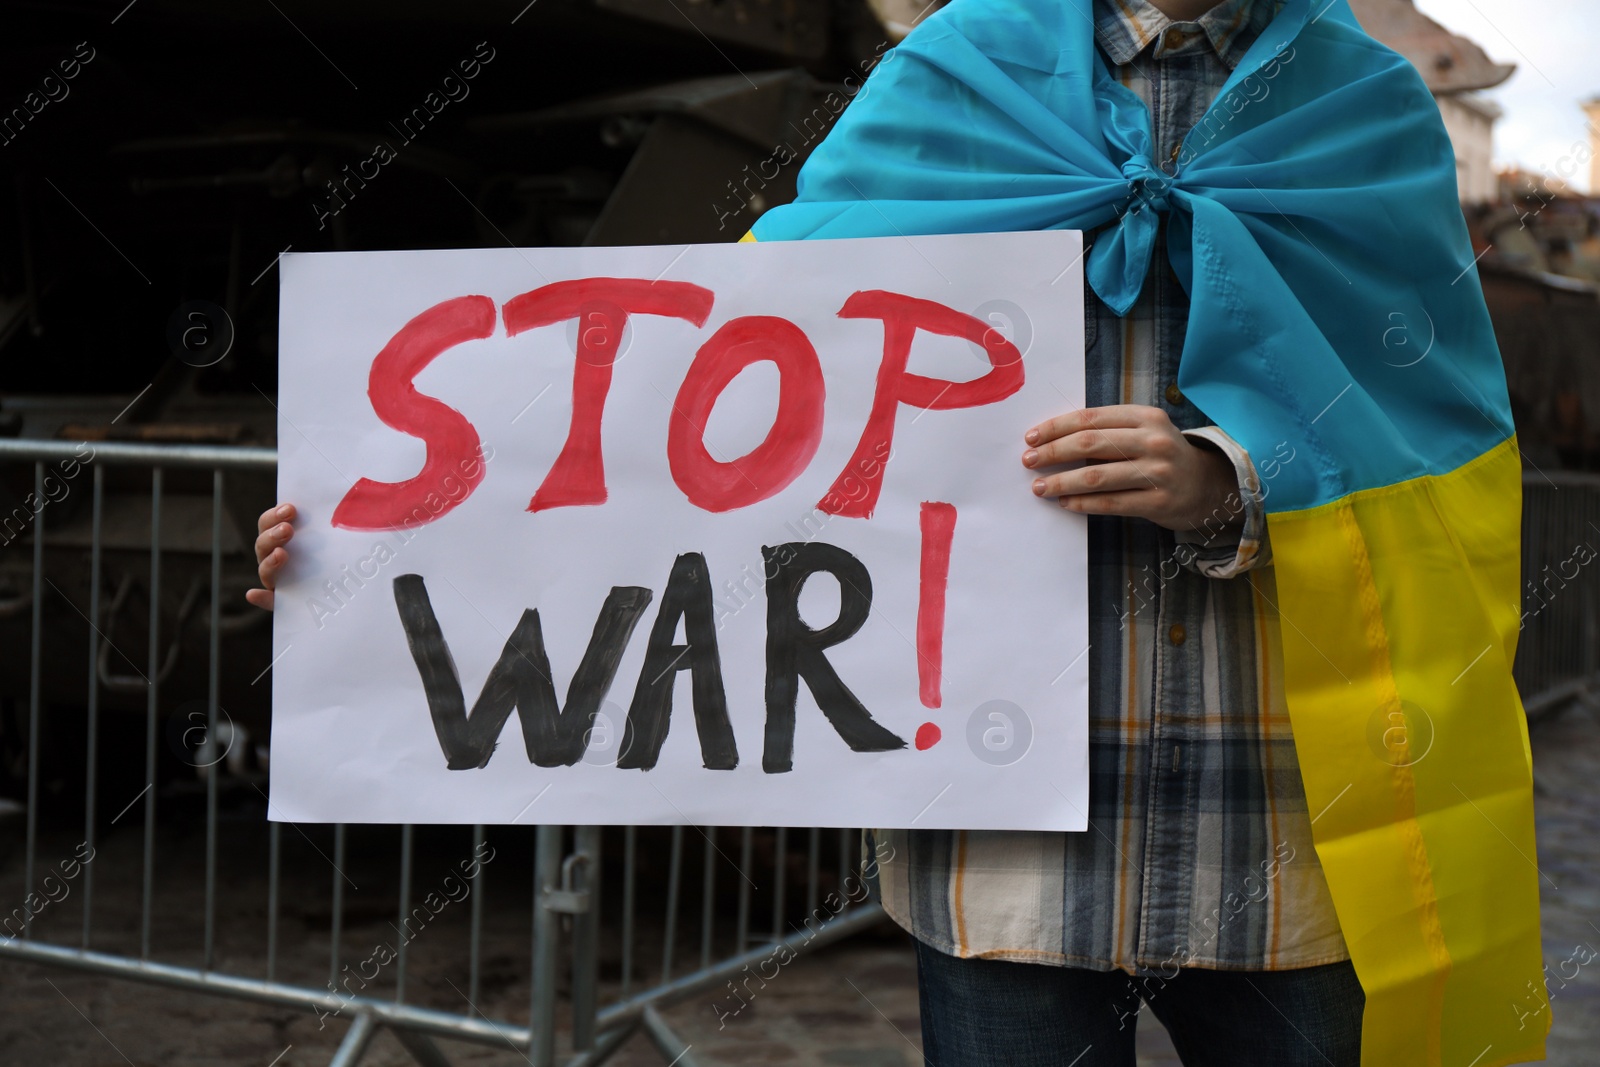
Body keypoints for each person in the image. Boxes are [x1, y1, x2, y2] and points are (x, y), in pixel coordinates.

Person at [254, 0, 1548, 1063]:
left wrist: (1230, 480)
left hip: (1279, 827)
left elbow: (1438, 445)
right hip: (1006, 855)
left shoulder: (1364, 105)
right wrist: (374, 547)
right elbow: (708, 371)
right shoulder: (954, 71)